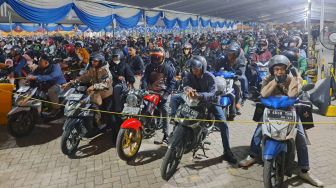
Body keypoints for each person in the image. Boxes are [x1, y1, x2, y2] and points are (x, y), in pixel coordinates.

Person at [238, 55, 323, 187]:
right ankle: (252, 156)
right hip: (271, 110)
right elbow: (264, 94)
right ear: (272, 70)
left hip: (289, 110)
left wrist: (295, 79)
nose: (279, 71)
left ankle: (304, 170)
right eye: (276, 69)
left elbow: (291, 95)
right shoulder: (268, 78)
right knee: (259, 131)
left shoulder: (290, 78)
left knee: (301, 137)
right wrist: (275, 81)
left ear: (286, 69)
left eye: (282, 69)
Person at [170, 55, 237, 163]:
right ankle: (174, 123)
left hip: (211, 102)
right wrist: (188, 89)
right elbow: (185, 85)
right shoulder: (189, 75)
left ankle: (227, 151)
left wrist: (199, 95)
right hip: (193, 100)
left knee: (223, 124)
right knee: (174, 98)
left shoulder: (210, 77)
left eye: (197, 69)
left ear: (203, 68)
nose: (194, 71)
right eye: (193, 69)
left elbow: (212, 93)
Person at [62, 53, 113, 128]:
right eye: (92, 61)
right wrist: (71, 82)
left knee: (94, 99)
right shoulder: (92, 68)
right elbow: (84, 77)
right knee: (82, 96)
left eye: (95, 61)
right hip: (93, 88)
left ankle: (99, 121)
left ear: (100, 61)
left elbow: (106, 84)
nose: (93, 62)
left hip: (105, 90)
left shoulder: (105, 70)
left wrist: (94, 86)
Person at [142, 47, 176, 144]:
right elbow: (144, 78)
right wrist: (144, 88)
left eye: (158, 57)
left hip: (163, 92)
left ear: (163, 57)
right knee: (142, 105)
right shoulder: (149, 67)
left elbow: (172, 83)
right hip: (150, 91)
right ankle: (146, 125)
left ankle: (166, 134)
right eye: (154, 57)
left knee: (165, 110)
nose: (156, 59)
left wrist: (166, 94)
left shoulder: (168, 68)